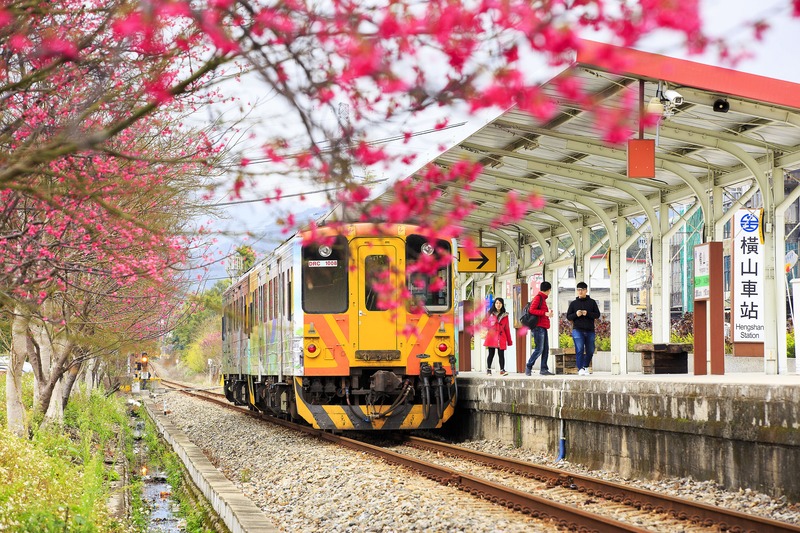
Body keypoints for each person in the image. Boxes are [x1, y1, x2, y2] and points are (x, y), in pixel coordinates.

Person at [566, 281, 601, 375]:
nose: (580, 292)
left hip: (590, 330)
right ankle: (580, 368)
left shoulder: (592, 302)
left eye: (582, 290)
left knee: (590, 350)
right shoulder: (573, 303)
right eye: (578, 290)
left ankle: (585, 366)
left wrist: (588, 313)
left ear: (586, 290)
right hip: (577, 330)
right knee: (579, 349)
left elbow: (597, 315)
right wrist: (576, 315)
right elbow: (568, 317)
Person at [524, 281, 554, 376]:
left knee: (545, 349)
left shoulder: (542, 299)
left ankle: (544, 369)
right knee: (539, 349)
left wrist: (548, 314)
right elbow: (531, 310)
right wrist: (545, 313)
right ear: (549, 290)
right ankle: (529, 366)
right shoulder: (538, 298)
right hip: (538, 327)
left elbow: (539, 312)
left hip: (543, 327)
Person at [483, 297, 512, 376]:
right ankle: (488, 369)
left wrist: (509, 341)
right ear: (494, 304)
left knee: (501, 354)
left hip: (501, 336)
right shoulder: (490, 313)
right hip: (492, 336)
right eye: (496, 303)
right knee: (491, 353)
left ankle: (502, 370)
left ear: (502, 304)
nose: (498, 305)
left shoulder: (505, 315)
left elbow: (507, 328)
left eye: (500, 303)